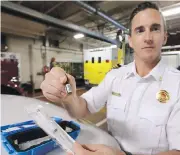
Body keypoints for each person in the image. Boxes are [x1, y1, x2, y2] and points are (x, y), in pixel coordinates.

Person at [40, 2, 180, 155]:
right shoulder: (115, 76)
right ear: (131, 40)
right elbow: (83, 107)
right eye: (140, 30)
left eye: (155, 29)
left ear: (165, 37)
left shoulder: (177, 84)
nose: (147, 38)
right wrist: (68, 96)